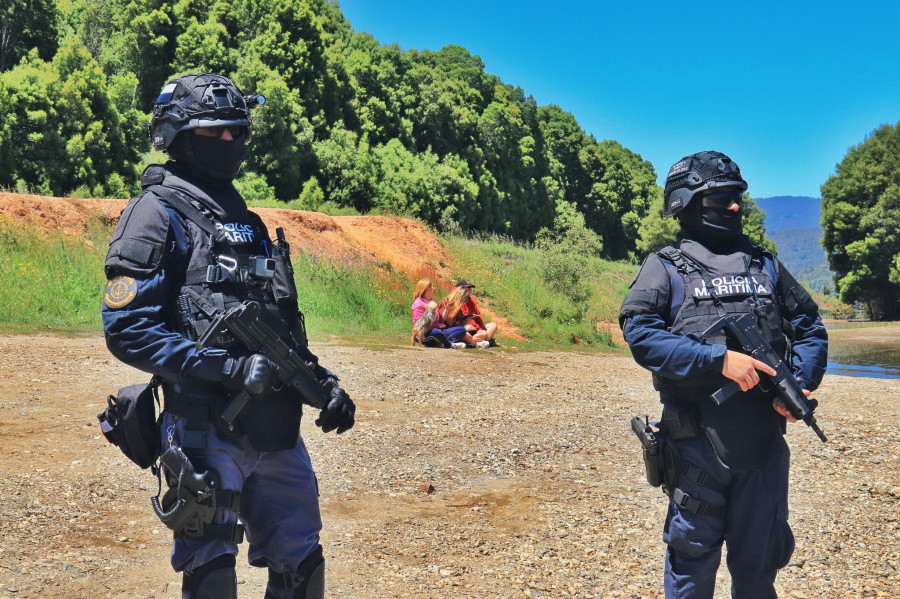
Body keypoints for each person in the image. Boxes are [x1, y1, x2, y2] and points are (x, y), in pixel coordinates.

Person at [102, 73, 355, 599]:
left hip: (275, 428)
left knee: (302, 569)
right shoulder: (155, 213)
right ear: (176, 136)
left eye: (237, 131)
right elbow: (126, 329)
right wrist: (225, 368)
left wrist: (324, 384)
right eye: (214, 132)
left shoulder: (251, 224)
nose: (229, 142)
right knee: (212, 573)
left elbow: (283, 326)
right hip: (202, 425)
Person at [618, 151, 827, 599]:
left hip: (763, 450)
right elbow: (640, 334)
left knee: (758, 570)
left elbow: (809, 326)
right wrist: (717, 359)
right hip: (695, 453)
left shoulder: (764, 265)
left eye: (737, 197)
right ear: (687, 204)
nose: (735, 207)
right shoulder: (666, 267)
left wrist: (801, 381)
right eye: (720, 199)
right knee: (691, 572)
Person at [410, 278, 465, 349]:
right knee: (437, 332)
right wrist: (434, 325)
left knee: (461, 330)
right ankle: (450, 344)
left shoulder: (432, 301)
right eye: (433, 286)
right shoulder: (418, 303)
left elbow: (441, 320)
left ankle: (441, 341)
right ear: (427, 289)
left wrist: (446, 310)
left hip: (438, 330)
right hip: (424, 333)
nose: (435, 288)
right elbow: (418, 323)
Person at [454, 279, 498, 345]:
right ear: (461, 289)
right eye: (468, 289)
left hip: (474, 326)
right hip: (463, 325)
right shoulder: (458, 300)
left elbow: (478, 315)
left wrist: (481, 328)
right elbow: (466, 318)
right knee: (470, 327)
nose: (470, 291)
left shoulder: (471, 299)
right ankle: (481, 340)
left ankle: (483, 340)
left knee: (493, 326)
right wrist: (478, 329)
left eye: (470, 289)